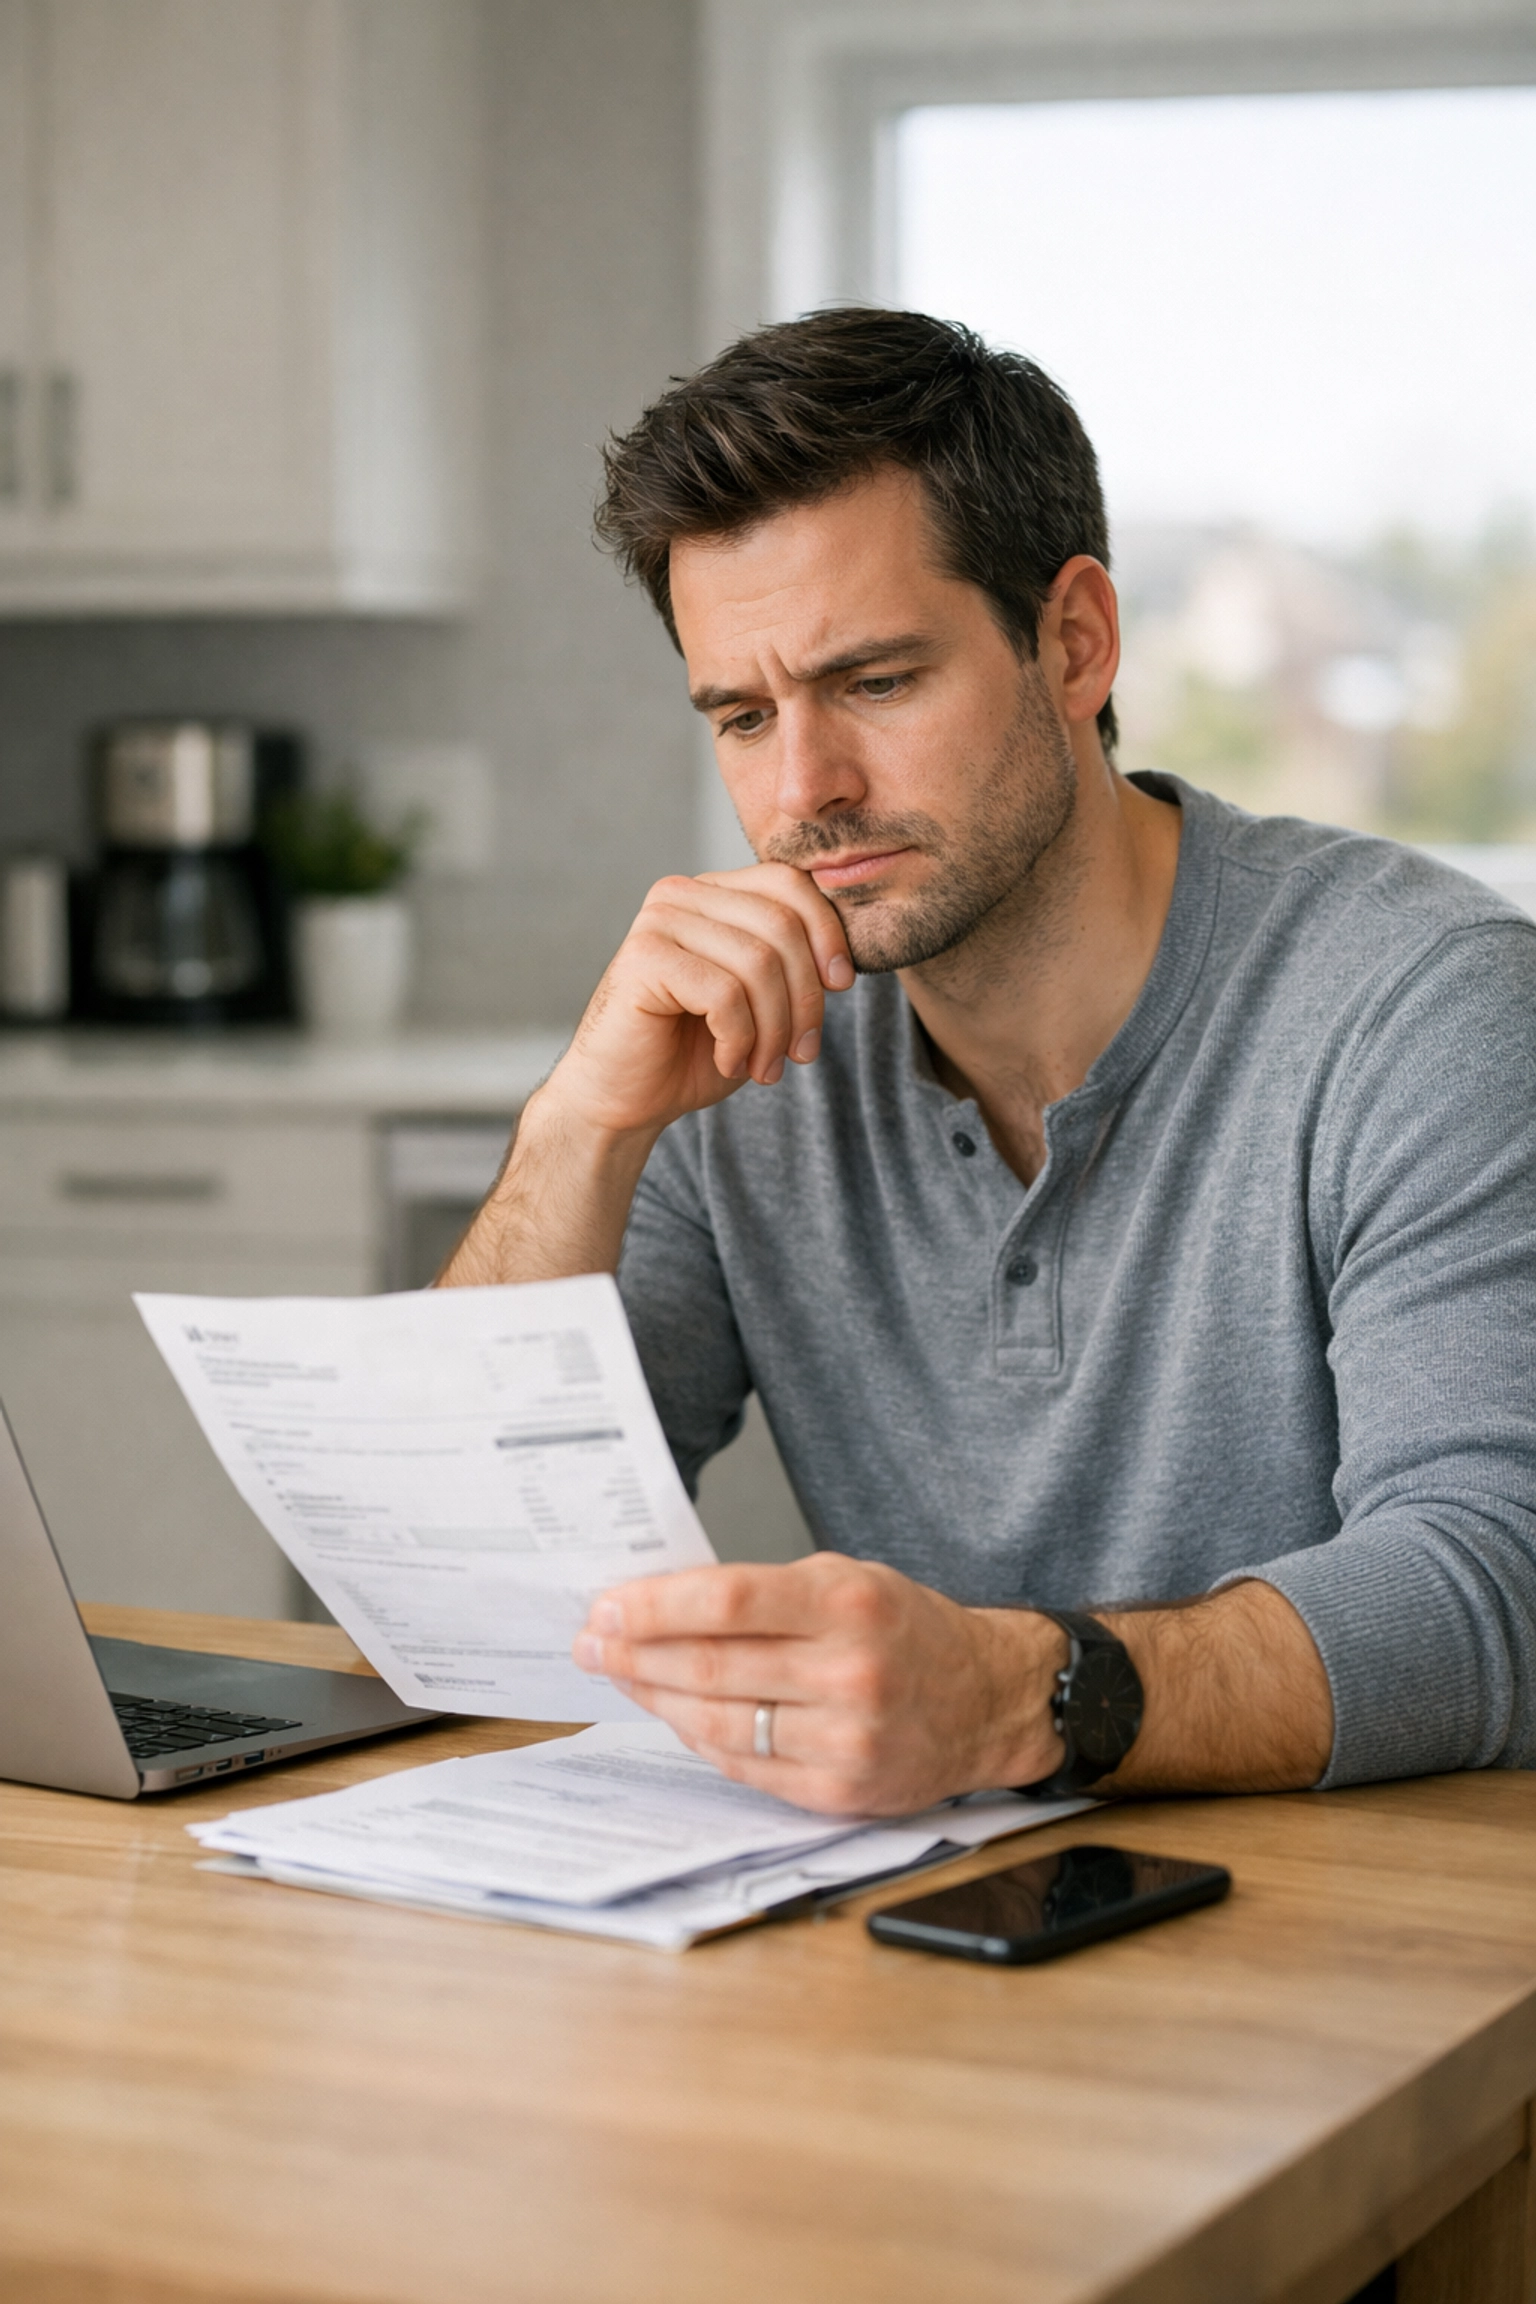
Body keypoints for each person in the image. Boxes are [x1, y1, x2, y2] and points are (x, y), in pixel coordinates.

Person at [443, 308, 1536, 1818]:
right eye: (745, 716)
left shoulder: (1419, 1006)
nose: (804, 792)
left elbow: (1498, 1585)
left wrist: (1018, 1698)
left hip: (1372, 1952)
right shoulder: (735, 1052)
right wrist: (578, 1124)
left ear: (1075, 641)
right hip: (929, 1942)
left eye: (878, 682)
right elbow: (461, 1581)